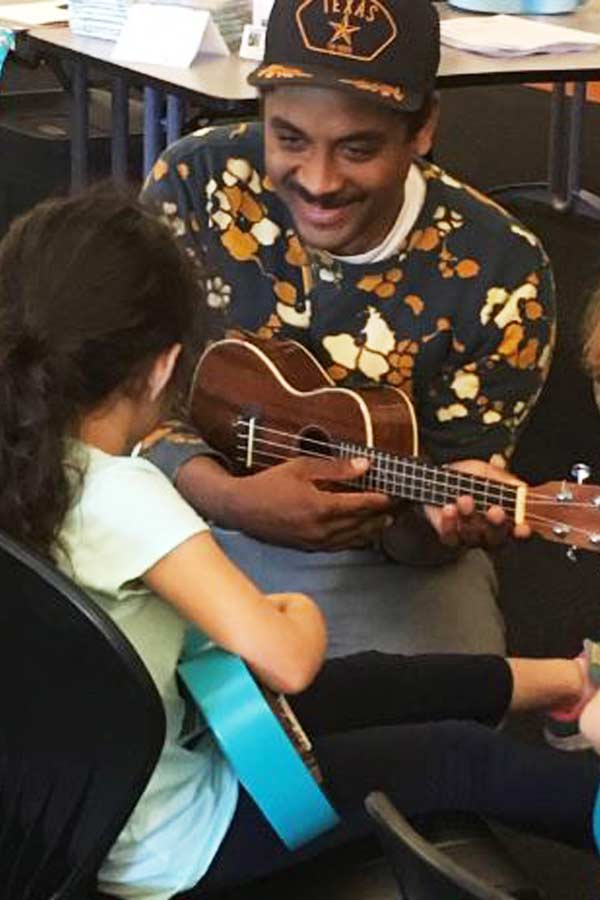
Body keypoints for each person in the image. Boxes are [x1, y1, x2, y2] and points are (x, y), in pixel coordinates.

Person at [0, 187, 595, 900]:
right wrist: (298, 614)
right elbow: (288, 661)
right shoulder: (127, 497)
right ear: (163, 367)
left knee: (373, 679)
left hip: (63, 805)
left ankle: (571, 681)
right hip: (175, 841)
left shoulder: (24, 457)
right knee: (455, 757)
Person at [139, 0, 555, 659]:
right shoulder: (199, 182)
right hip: (173, 509)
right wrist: (228, 498)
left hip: (373, 565)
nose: (319, 181)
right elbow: (121, 394)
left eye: (358, 148)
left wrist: (439, 527)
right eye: (290, 138)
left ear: (422, 131)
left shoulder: (500, 270)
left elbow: (427, 525)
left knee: (435, 727)